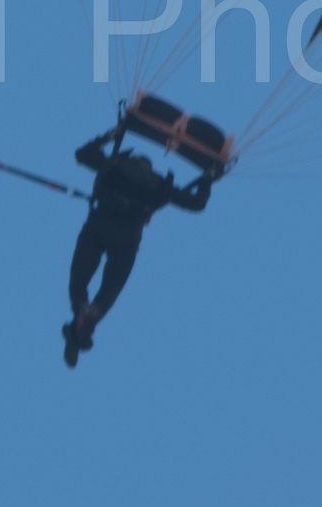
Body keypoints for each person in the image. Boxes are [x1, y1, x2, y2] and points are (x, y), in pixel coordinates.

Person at [63, 128, 213, 367]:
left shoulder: (117, 168)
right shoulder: (152, 183)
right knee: (99, 288)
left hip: (102, 229)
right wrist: (208, 178)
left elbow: (83, 154)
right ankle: (83, 318)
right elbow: (196, 204)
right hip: (122, 237)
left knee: (86, 284)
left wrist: (113, 133)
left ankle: (83, 317)